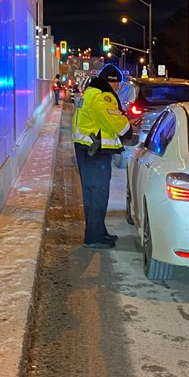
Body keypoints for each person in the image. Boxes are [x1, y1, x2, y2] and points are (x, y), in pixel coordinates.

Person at [71, 62, 132, 246]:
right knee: (98, 193)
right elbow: (114, 121)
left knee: (92, 192)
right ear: (110, 82)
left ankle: (97, 230)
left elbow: (102, 121)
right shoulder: (102, 96)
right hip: (95, 151)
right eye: (118, 84)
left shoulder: (90, 92)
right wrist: (127, 129)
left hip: (86, 148)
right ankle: (94, 236)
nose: (119, 87)